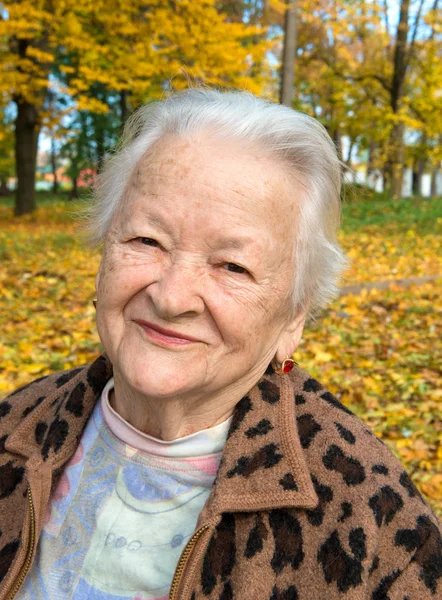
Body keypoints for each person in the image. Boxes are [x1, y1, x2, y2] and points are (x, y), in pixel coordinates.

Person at [0, 89, 440, 600]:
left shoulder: (372, 519)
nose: (171, 297)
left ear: (294, 317)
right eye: (146, 241)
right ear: (103, 253)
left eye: (233, 266)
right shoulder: (14, 429)